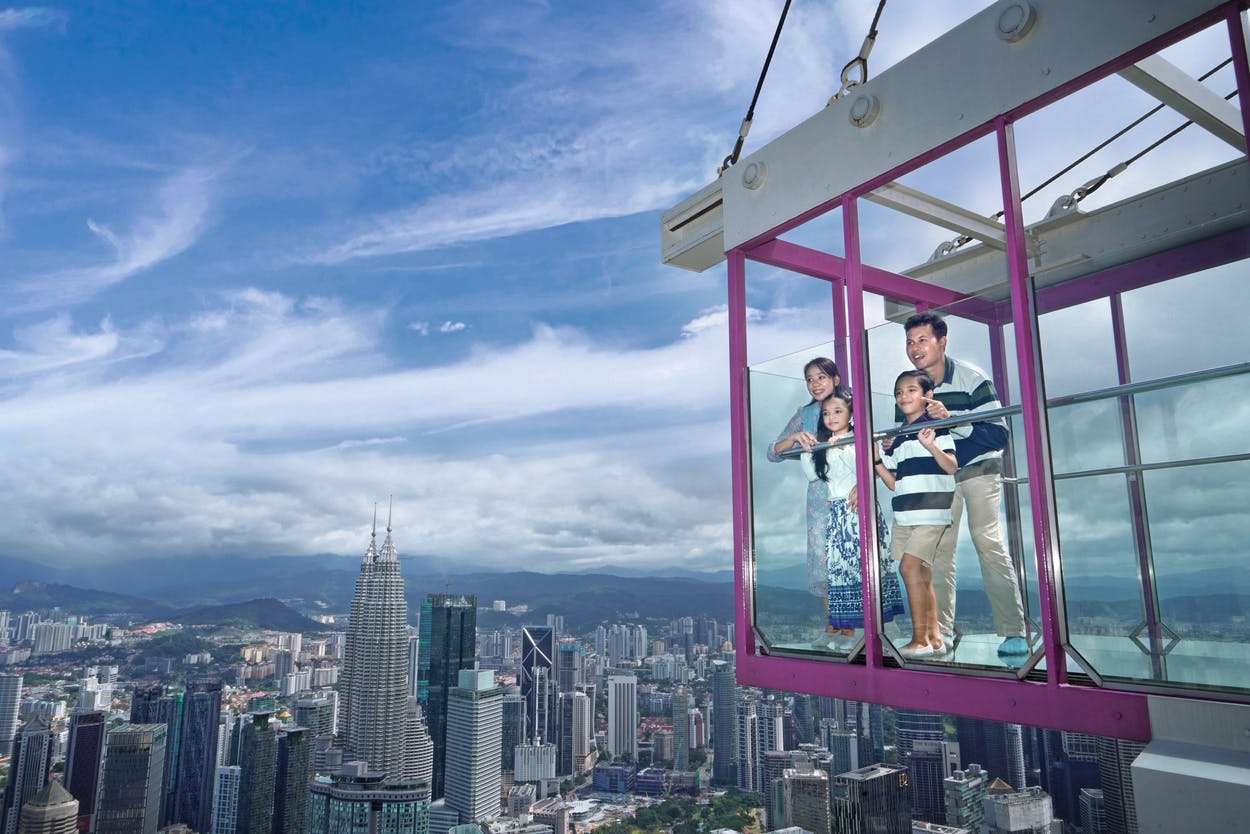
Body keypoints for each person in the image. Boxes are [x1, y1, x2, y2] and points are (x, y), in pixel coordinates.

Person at [902, 311, 1029, 660]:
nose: (915, 348)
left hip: (979, 472)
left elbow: (999, 432)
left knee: (988, 542)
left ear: (943, 341)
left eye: (922, 340)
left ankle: (1014, 631)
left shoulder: (972, 378)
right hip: (940, 479)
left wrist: (953, 421)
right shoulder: (911, 388)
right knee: (940, 553)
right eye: (910, 342)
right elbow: (913, 439)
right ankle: (940, 634)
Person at [805, 390, 904, 651]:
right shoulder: (824, 444)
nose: (831, 416)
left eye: (837, 411)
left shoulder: (859, 439)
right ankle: (856, 631)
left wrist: (862, 480)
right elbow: (811, 475)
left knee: (867, 567)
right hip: (837, 513)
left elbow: (870, 467)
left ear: (851, 414)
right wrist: (809, 449)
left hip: (860, 512)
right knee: (842, 571)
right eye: (826, 412)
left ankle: (880, 628)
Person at [874, 370, 958, 658]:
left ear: (928, 395)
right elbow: (893, 482)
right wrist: (876, 458)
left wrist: (930, 445)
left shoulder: (937, 427)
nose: (903, 396)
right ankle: (934, 638)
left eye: (911, 390)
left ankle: (919, 639)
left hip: (931, 512)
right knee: (922, 572)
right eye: (899, 392)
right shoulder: (897, 437)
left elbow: (951, 466)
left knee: (908, 569)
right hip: (906, 514)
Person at [768, 357, 841, 644]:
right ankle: (832, 627)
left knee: (849, 560)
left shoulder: (852, 406)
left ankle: (856, 628)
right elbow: (772, 452)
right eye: (810, 379)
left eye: (821, 377)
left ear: (835, 378)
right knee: (821, 558)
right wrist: (794, 439)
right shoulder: (804, 414)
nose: (815, 384)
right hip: (818, 496)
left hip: (850, 492)